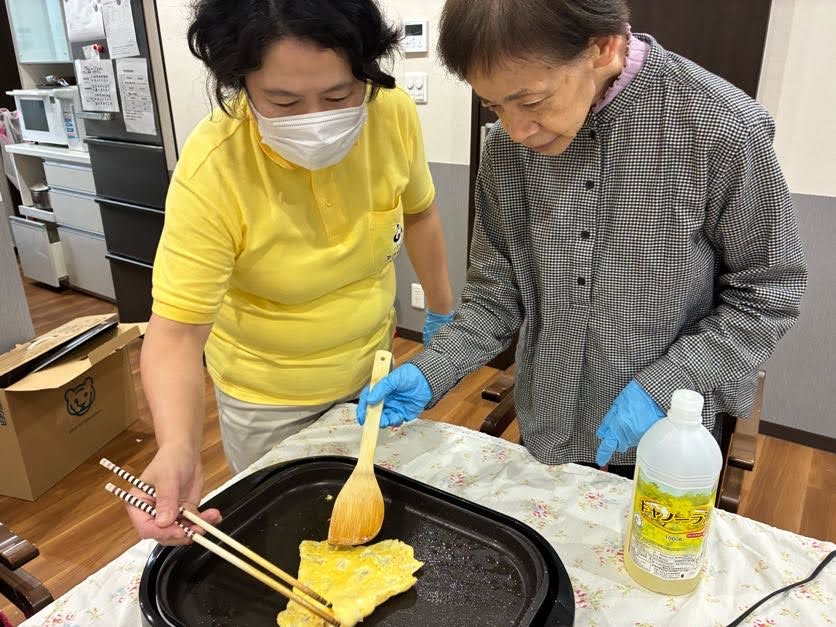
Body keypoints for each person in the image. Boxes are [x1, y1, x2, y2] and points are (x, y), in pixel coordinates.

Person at [358, 0, 807, 478]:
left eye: (531, 101)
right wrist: (433, 368)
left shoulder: (720, 128)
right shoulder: (505, 151)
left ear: (603, 47)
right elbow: (495, 295)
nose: (516, 130)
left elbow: (768, 292)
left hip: (665, 441)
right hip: (545, 422)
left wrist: (671, 382)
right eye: (493, 105)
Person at [131, 0, 455, 545]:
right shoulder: (215, 166)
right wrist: (178, 447)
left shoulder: (391, 113)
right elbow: (177, 334)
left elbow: (419, 212)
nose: (315, 120)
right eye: (283, 101)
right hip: (269, 400)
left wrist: (443, 315)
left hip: (374, 372)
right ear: (242, 85)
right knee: (290, 538)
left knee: (375, 525)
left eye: (339, 96)